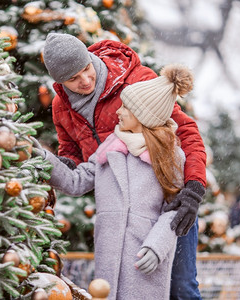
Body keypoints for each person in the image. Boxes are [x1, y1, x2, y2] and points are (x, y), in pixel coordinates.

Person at [43, 33, 205, 299]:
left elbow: (185, 130)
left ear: (90, 58)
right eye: (73, 78)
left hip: (171, 200)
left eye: (86, 69)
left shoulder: (136, 83)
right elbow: (71, 151)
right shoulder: (62, 106)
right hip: (119, 211)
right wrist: (62, 165)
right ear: (59, 82)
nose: (84, 81)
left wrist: (194, 187)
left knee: (181, 287)